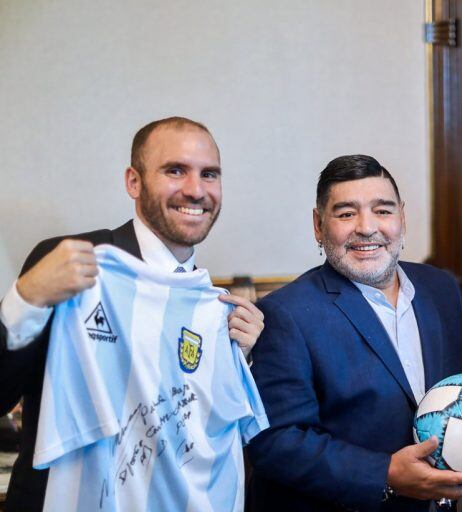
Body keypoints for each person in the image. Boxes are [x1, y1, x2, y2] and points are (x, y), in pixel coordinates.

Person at [0, 117, 265, 511]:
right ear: (134, 182)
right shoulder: (73, 262)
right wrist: (27, 299)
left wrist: (242, 356)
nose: (195, 190)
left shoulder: (215, 307)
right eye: (175, 170)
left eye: (209, 174)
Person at [246, 155, 462, 511]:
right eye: (346, 213)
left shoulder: (442, 290)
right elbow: (276, 442)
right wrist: (384, 473)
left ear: (402, 217)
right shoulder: (286, 313)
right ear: (318, 225)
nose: (367, 227)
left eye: (383, 210)